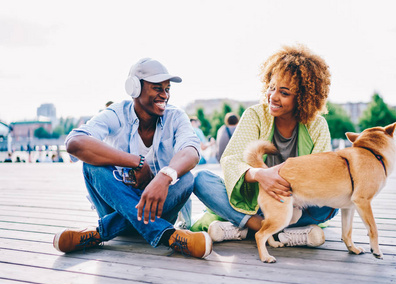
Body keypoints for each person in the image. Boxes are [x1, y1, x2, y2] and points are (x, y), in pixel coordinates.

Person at [52, 58, 212, 259]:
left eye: (167, 89)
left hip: (160, 207)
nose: (165, 95)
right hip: (115, 205)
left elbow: (191, 150)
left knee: (187, 178)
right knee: (91, 166)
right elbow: (75, 143)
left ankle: (99, 233)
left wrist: (163, 177)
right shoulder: (116, 113)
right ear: (135, 88)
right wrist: (136, 161)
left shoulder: (176, 116)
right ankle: (169, 236)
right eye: (157, 88)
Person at [192, 44, 338, 248]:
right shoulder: (255, 115)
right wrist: (260, 176)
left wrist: (286, 189)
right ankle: (270, 229)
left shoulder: (317, 125)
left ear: (303, 98)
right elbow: (230, 159)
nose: (273, 97)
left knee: (332, 201)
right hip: (254, 204)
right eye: (271, 87)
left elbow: (322, 174)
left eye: (284, 93)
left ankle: (242, 228)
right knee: (201, 180)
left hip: (295, 206)